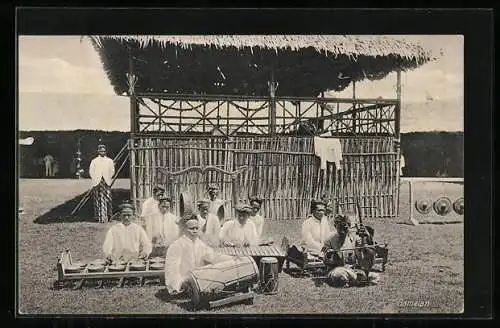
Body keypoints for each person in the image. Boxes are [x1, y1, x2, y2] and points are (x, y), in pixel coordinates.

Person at [164, 213, 234, 294]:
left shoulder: (199, 244)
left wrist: (231, 259)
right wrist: (179, 285)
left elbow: (214, 256)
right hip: (183, 282)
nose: (195, 231)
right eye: (191, 228)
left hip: (199, 279)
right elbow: (172, 270)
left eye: (197, 228)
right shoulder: (176, 246)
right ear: (183, 229)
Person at [89, 143, 115, 223]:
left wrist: (108, 177)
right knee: (98, 199)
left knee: (108, 199)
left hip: (106, 181)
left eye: (104, 151)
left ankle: (109, 216)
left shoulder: (109, 161)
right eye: (101, 151)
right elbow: (91, 171)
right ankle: (98, 217)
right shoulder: (94, 161)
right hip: (97, 182)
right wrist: (95, 179)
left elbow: (112, 171)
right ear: (98, 151)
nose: (103, 152)